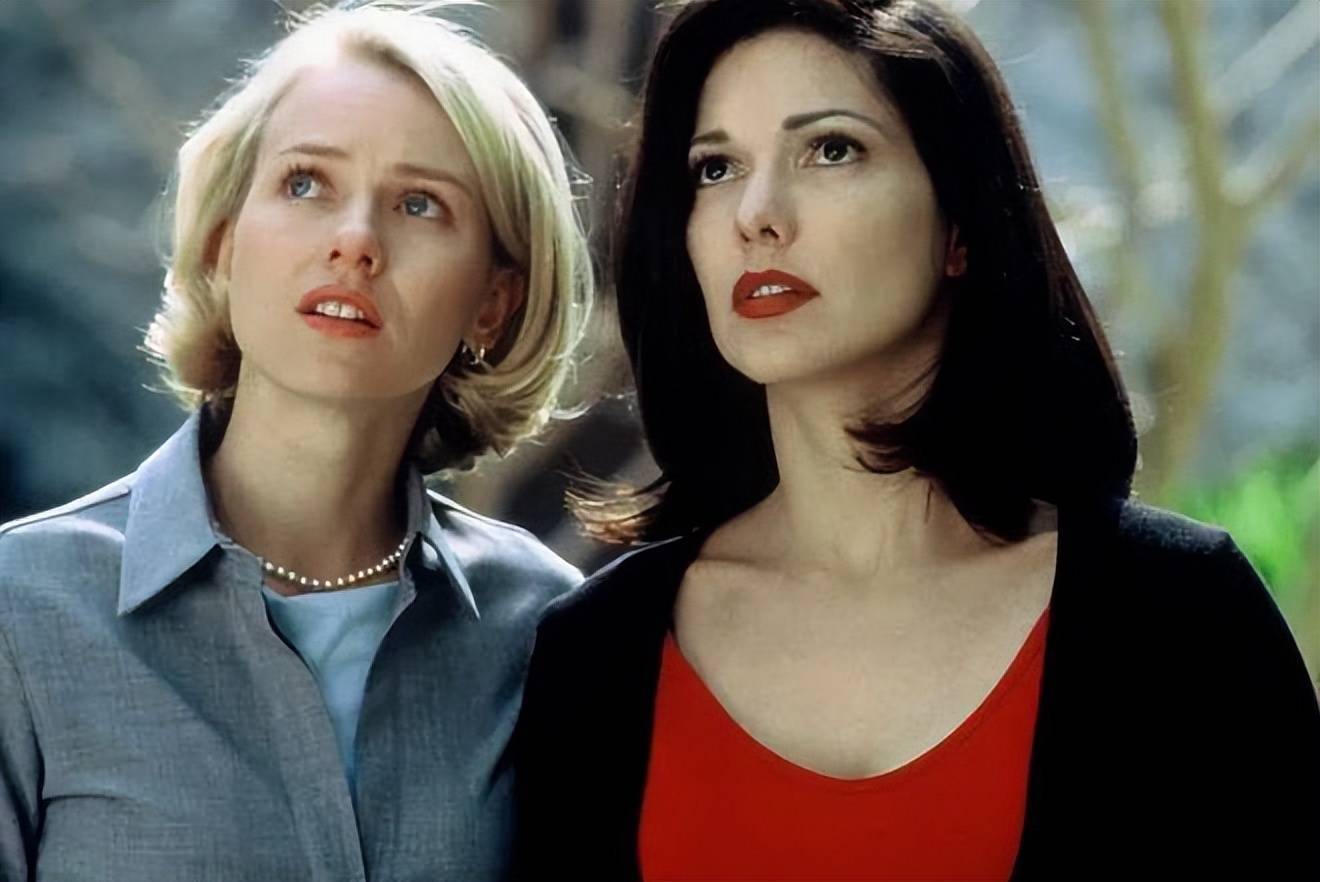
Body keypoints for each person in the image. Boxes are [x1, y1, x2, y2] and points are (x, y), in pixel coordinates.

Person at [512, 1, 1320, 879]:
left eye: (831, 150)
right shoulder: (597, 651)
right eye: (715, 168)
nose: (757, 213)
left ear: (959, 225)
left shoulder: (1179, 614)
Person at [0, 3, 592, 879]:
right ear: (224, 242)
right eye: (306, 183)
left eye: (420, 204)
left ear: (492, 304)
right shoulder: (21, 611)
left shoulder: (552, 631)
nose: (355, 242)